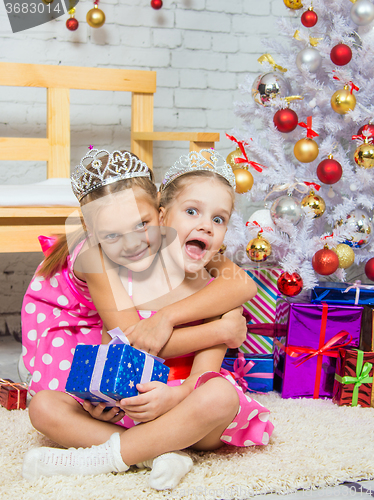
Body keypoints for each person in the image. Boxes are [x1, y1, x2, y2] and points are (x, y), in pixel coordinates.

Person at [22, 149, 273, 490]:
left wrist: (173, 397)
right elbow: (122, 348)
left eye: (219, 219)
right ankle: (155, 452)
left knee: (220, 396)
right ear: (164, 214)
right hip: (132, 405)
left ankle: (98, 458)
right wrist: (100, 400)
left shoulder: (215, 290)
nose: (204, 224)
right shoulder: (126, 274)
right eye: (191, 212)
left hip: (184, 406)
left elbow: (205, 376)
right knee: (44, 407)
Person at [21, 149, 255, 397]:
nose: (133, 244)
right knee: (75, 394)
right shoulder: (94, 255)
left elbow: (243, 286)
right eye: (112, 234)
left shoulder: (179, 238)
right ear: (92, 231)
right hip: (72, 326)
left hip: (113, 323)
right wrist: (220, 332)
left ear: (159, 210)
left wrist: (166, 317)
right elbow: (133, 342)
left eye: (142, 224)